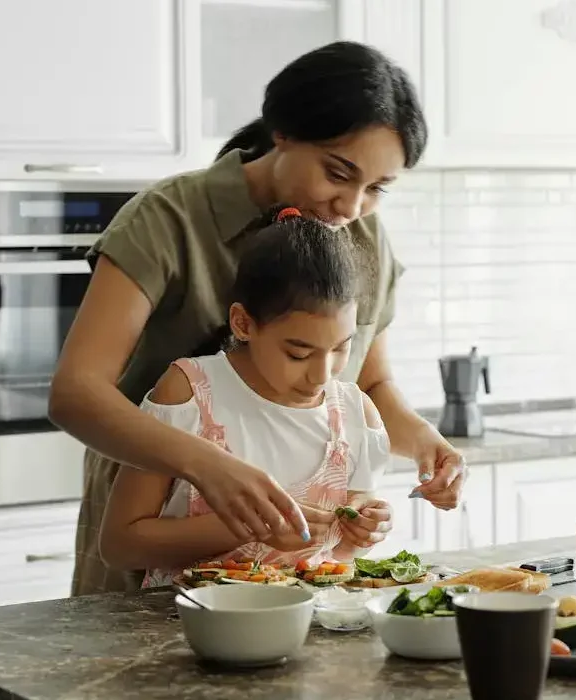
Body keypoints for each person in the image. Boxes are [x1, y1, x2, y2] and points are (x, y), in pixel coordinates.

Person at [49, 40, 467, 595]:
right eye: (338, 173)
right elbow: (75, 393)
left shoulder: (362, 235)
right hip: (155, 536)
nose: (352, 206)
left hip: (293, 577)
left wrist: (425, 444)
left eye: (376, 189)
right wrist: (209, 467)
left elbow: (368, 382)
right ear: (284, 133)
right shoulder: (169, 218)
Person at [98, 205, 392, 585]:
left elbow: (343, 556)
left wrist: (365, 530)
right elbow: (120, 545)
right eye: (298, 353)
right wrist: (249, 528)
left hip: (309, 631)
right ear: (243, 323)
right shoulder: (190, 394)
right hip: (186, 628)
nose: (322, 374)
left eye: (341, 347)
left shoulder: (355, 415)